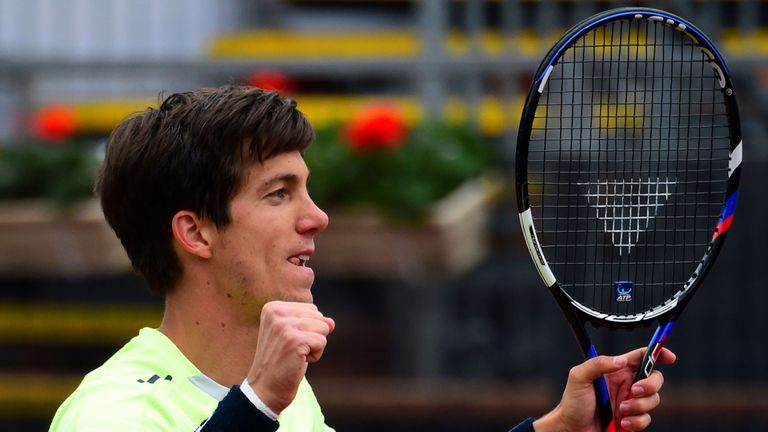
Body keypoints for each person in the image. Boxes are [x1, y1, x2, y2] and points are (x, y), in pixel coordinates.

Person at [49, 85, 674, 432]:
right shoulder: (113, 412)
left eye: (306, 190)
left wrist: (554, 430)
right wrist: (258, 404)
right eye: (278, 194)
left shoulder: (286, 396)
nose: (316, 216)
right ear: (196, 233)